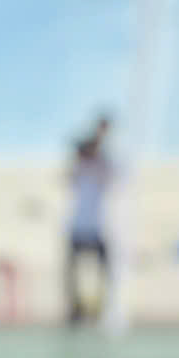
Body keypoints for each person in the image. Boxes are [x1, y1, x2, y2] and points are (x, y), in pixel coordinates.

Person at [64, 112, 118, 327]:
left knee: (102, 270)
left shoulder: (100, 167)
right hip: (79, 226)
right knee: (73, 272)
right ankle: (76, 309)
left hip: (96, 227)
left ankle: (100, 307)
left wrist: (99, 138)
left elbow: (101, 160)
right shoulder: (81, 169)